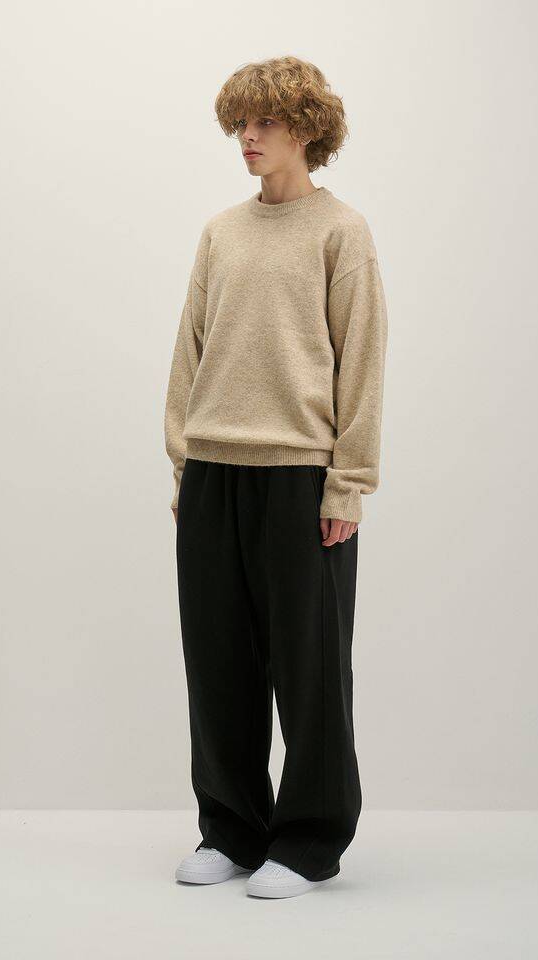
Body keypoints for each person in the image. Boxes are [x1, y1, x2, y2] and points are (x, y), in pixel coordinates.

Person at [163, 55, 389, 899]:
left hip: (301, 476)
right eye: (240, 124)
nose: (247, 138)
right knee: (218, 663)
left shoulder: (342, 232)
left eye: (264, 123)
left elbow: (362, 359)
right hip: (213, 471)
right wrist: (184, 462)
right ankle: (230, 829)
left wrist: (348, 481)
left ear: (306, 128)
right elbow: (189, 349)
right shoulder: (221, 231)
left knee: (311, 668)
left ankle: (309, 841)